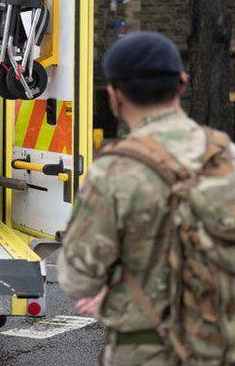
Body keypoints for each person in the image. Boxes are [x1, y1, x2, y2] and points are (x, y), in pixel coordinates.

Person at [59, 31, 229, 365]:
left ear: (115, 96)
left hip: (147, 351)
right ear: (181, 84)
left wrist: (122, 278)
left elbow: (77, 278)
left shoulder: (114, 171)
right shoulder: (228, 155)